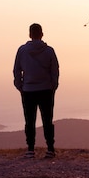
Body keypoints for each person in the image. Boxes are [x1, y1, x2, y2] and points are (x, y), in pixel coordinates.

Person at [13, 23, 60, 159]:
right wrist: (53, 85)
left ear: (30, 34)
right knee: (47, 119)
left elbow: (17, 69)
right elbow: (55, 70)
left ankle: (30, 149)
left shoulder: (22, 50)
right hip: (46, 89)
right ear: (42, 34)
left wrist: (19, 85)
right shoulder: (49, 51)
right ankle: (50, 148)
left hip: (28, 90)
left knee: (29, 120)